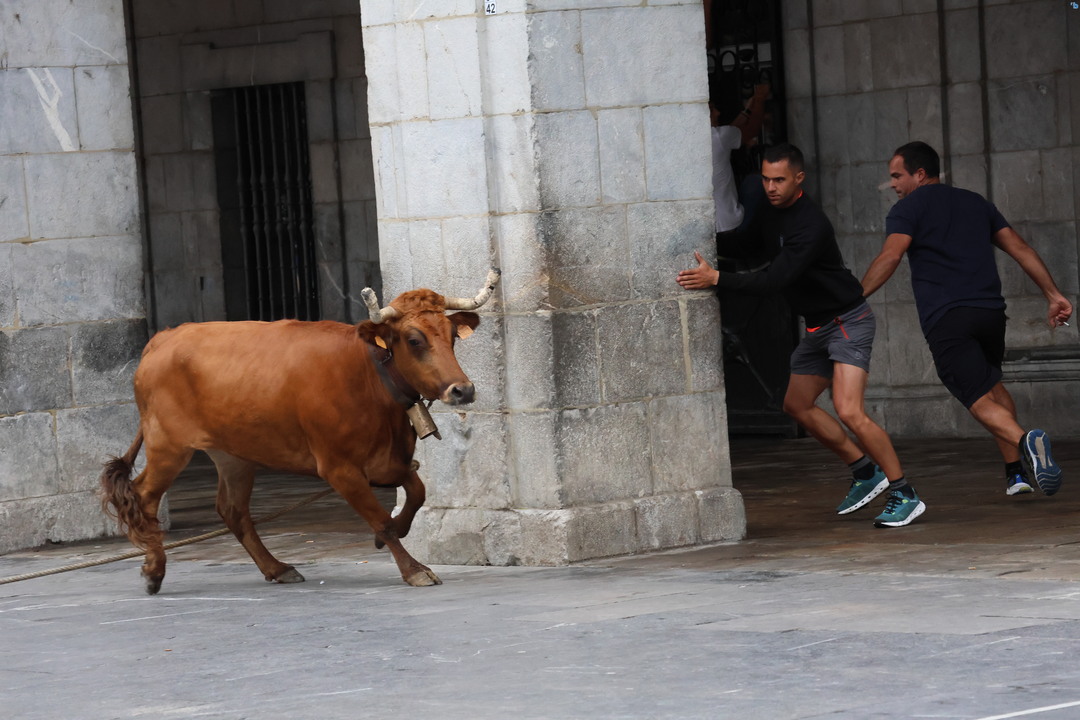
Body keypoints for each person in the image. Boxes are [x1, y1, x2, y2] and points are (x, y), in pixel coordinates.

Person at [678, 143, 924, 528]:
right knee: (796, 405)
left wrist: (717, 278)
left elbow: (774, 280)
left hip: (847, 321)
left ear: (799, 178)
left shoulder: (811, 224)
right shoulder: (768, 209)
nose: (770, 187)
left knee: (849, 410)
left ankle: (904, 492)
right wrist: (693, 239)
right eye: (765, 179)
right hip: (818, 328)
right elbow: (744, 243)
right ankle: (865, 472)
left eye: (779, 180)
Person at [861, 141, 1072, 496]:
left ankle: (1026, 442)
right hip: (990, 313)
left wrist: (854, 297)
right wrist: (1053, 295)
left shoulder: (907, 209)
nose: (893, 184)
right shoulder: (976, 202)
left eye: (897, 176)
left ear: (920, 174)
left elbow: (891, 256)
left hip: (948, 318)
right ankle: (1015, 474)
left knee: (977, 399)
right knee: (992, 385)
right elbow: (1020, 249)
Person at [710, 83, 769, 243]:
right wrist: (760, 99)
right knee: (757, 181)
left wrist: (747, 110)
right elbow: (753, 129)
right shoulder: (719, 137)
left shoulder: (708, 138)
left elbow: (731, 131)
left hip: (709, 227)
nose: (718, 113)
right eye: (712, 110)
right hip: (731, 225)